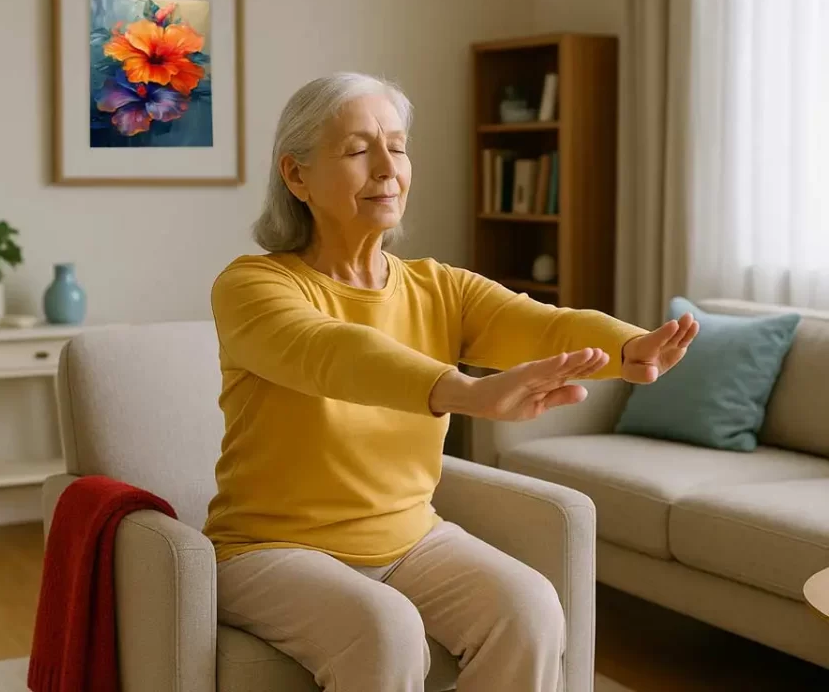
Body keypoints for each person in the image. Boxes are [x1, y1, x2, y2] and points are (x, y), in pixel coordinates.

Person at [202, 73, 698, 692]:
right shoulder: (253, 286)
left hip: (412, 538)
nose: (387, 168)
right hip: (268, 549)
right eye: (358, 150)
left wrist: (629, 347)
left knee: (531, 608)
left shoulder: (439, 287)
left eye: (399, 146)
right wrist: (465, 390)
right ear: (296, 176)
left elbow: (540, 325)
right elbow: (336, 353)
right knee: (383, 629)